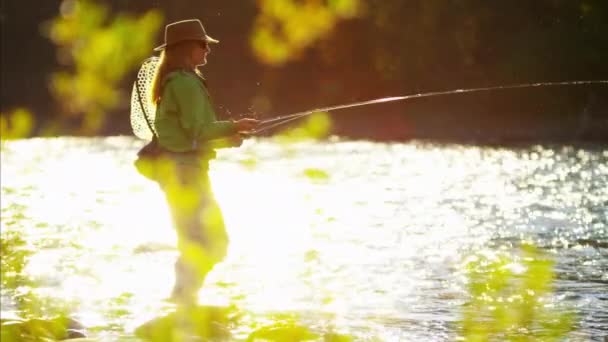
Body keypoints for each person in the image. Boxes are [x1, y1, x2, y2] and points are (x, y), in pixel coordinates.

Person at [136, 19, 259, 304]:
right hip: (185, 175)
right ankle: (182, 299)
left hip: (181, 173)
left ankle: (182, 299)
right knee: (214, 242)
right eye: (203, 45)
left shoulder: (177, 81)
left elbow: (190, 135)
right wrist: (233, 125)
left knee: (199, 242)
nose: (207, 50)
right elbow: (199, 131)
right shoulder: (184, 83)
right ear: (187, 48)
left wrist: (230, 136)